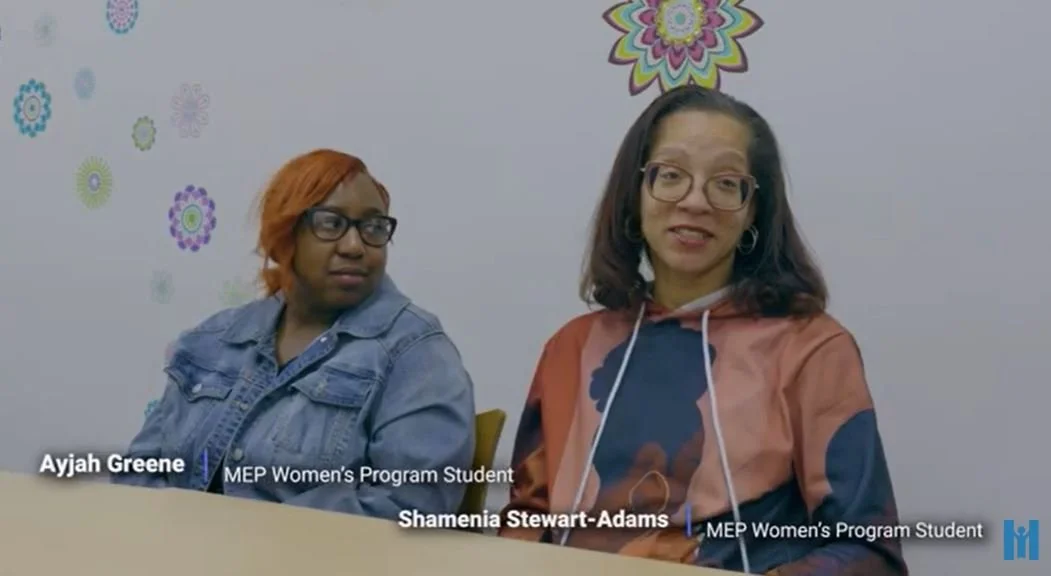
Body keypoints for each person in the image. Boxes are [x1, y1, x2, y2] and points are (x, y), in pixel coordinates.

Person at [498, 86, 907, 575]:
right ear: (634, 194)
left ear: (754, 211)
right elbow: (525, 523)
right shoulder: (573, 348)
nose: (695, 201)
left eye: (726, 183)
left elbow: (869, 551)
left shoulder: (811, 348)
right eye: (671, 175)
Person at [113, 149, 476, 520]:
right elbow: (137, 477)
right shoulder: (214, 340)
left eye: (373, 227)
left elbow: (408, 506)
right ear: (283, 237)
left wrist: (243, 535)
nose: (355, 246)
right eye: (331, 224)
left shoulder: (415, 354)